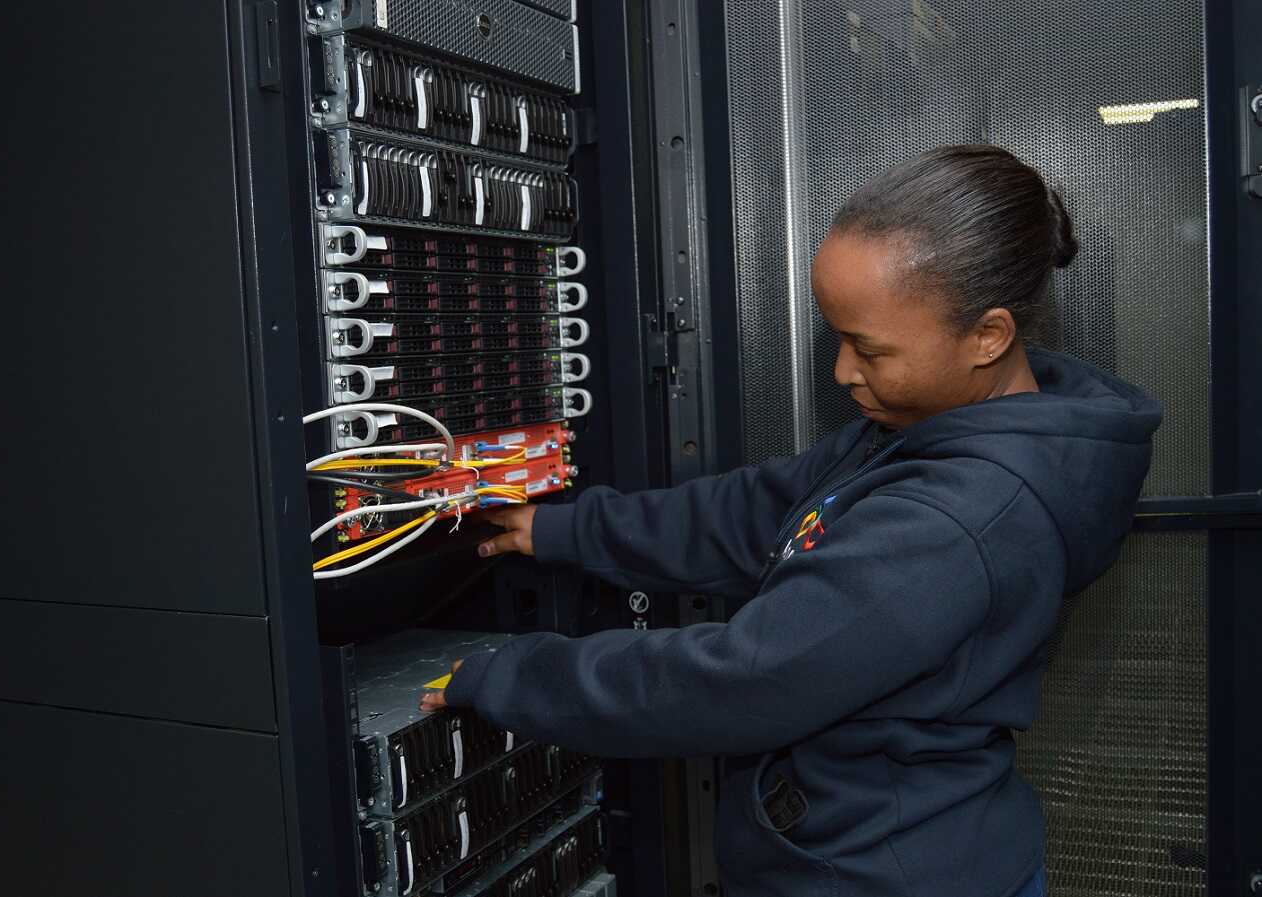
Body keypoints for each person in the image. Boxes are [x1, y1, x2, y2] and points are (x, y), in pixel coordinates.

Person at [420, 145, 1161, 897]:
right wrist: (563, 529)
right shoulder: (937, 428)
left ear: (989, 336)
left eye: (869, 348)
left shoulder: (957, 523)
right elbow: (757, 511)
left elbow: (737, 682)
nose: (843, 372)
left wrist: (511, 675)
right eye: (837, 336)